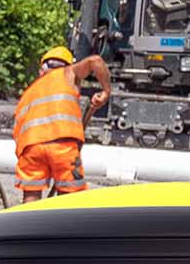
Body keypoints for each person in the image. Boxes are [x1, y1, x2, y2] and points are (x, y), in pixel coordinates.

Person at [13, 46, 114, 203]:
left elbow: (18, 129)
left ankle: (30, 227)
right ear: (67, 65)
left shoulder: (29, 92)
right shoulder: (68, 73)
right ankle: (64, 227)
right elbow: (96, 60)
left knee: (30, 197)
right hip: (62, 145)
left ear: (42, 70)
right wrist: (106, 91)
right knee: (68, 198)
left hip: (30, 148)